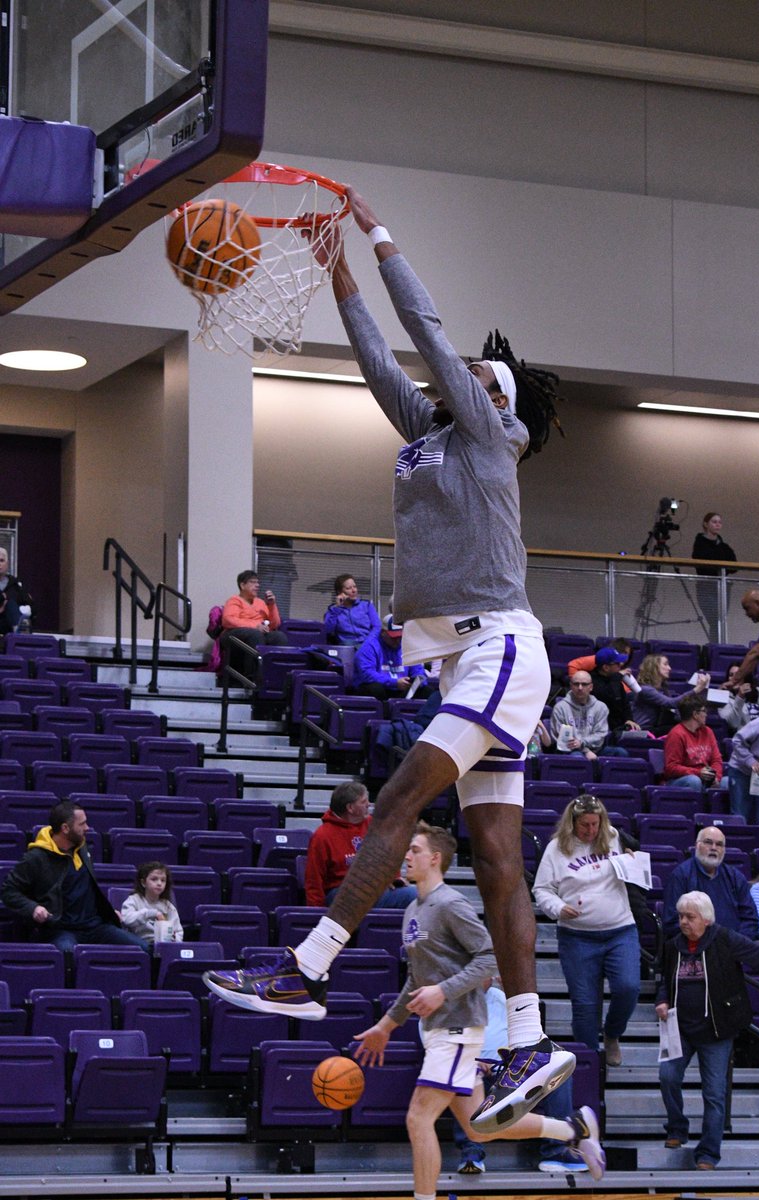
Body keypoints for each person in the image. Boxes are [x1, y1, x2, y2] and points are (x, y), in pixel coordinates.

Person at [205, 184, 574, 1136]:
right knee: (494, 859)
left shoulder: (493, 435)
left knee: (398, 798)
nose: (462, 378)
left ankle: (307, 967)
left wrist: (377, 236)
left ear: (498, 402)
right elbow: (381, 362)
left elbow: (428, 331)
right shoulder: (435, 438)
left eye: (477, 374)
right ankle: (530, 1038)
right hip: (465, 662)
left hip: (499, 646)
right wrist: (337, 278)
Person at [352, 824, 605, 1190]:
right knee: (480, 1128)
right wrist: (386, 1026)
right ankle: (573, 1129)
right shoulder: (412, 911)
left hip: (458, 1029)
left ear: (435, 859)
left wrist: (443, 991)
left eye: (415, 850)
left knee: (418, 1119)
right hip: (439, 1031)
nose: (406, 856)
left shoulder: (451, 905)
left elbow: (489, 957)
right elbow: (417, 979)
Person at [656, 891, 759, 1170]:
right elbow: (663, 977)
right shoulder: (672, 945)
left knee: (714, 1094)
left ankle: (708, 1153)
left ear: (706, 919)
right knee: (667, 1076)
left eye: (690, 917)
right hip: (680, 1027)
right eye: (681, 916)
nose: (683, 922)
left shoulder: (726, 939)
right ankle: (677, 1128)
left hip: (717, 1030)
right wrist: (662, 999)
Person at [533, 795, 640, 1065]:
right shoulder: (556, 849)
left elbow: (636, 870)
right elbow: (541, 889)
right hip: (577, 937)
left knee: (628, 988)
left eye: (595, 824)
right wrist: (558, 908)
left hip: (620, 929)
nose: (591, 831)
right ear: (572, 824)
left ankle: (613, 1033)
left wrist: (632, 862)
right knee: (584, 1007)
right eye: (585, 825)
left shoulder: (614, 837)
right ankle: (589, 1065)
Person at [452, 980, 587, 1175]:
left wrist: (506, 1059)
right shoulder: (446, 1002)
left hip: (508, 1069)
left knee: (558, 1076)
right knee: (464, 1075)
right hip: (468, 1067)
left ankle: (557, 1151)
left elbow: (525, 1041)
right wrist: (472, 1061)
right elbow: (437, 1045)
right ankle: (472, 1152)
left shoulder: (504, 999)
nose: (484, 978)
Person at [0, 800, 149, 951]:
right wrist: (33, 907)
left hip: (95, 926)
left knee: (144, 949)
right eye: (82, 824)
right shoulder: (35, 858)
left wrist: (108, 911)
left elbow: (87, 890)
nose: (87, 828)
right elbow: (9, 891)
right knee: (67, 955)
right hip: (60, 929)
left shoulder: (82, 848)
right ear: (65, 828)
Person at [304, 781, 416, 909]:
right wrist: (314, 915)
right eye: (363, 802)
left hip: (372, 888)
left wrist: (393, 877)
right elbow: (314, 881)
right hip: (341, 894)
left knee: (418, 894)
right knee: (412, 896)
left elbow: (388, 855)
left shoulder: (372, 824)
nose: (368, 804)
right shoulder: (322, 836)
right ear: (350, 808)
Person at [662, 827, 759, 941]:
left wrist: (738, 942)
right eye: (708, 842)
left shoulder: (735, 877)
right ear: (697, 845)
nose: (713, 848)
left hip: (734, 945)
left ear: (724, 850)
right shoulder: (681, 876)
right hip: (696, 944)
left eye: (719, 844)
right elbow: (672, 922)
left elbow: (750, 919)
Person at [219, 569, 288, 681]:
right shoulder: (234, 600)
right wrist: (255, 626)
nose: (257, 585)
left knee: (279, 636)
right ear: (242, 585)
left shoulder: (260, 602)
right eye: (252, 582)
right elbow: (228, 620)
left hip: (257, 634)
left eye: (257, 582)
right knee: (255, 635)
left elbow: (274, 624)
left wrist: (272, 605)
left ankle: (276, 678)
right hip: (233, 635)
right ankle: (251, 679)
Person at [352, 614, 430, 701]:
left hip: (400, 689)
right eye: (393, 637)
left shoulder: (407, 645)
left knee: (427, 691)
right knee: (375, 688)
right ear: (383, 633)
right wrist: (394, 683)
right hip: (381, 688)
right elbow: (367, 674)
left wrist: (417, 681)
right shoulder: (369, 647)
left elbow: (418, 669)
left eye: (400, 637)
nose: (397, 641)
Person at [631, 654, 709, 735]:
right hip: (644, 730)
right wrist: (697, 689)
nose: (669, 668)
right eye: (665, 664)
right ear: (653, 667)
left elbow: (676, 710)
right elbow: (671, 703)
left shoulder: (663, 689)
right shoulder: (646, 690)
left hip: (657, 728)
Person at [662, 696, 722, 791]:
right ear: (695, 714)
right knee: (694, 781)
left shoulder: (708, 731)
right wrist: (698, 773)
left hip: (706, 777)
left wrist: (716, 777)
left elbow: (716, 760)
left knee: (728, 782)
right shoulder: (676, 734)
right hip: (680, 779)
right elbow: (671, 768)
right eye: (704, 711)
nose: (706, 715)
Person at [549, 671, 611, 761]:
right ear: (571, 686)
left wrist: (582, 743)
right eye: (576, 684)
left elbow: (600, 734)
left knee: (620, 753)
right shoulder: (560, 708)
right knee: (577, 757)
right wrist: (585, 751)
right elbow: (562, 739)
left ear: (591, 687)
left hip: (595, 749)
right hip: (570, 750)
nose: (580, 688)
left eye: (584, 684)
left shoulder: (600, 707)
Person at [691, 512, 737, 635]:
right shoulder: (700, 543)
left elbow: (734, 565)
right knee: (714, 619)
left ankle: (717, 646)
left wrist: (718, 564)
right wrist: (719, 563)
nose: (717, 525)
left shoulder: (724, 546)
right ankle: (715, 647)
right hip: (706, 586)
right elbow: (701, 564)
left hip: (722, 588)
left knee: (720, 620)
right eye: (714, 522)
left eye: (719, 522)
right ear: (706, 524)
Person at [120, 861, 184, 943]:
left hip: (163, 945)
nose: (159, 883)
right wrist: (152, 913)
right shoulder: (133, 900)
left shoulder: (168, 906)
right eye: (154, 879)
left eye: (163, 880)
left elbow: (178, 932)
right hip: (140, 944)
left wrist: (174, 939)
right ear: (143, 883)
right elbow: (127, 919)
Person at [589, 646, 640, 736]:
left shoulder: (615, 680)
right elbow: (606, 699)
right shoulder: (590, 682)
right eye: (616, 663)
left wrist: (629, 719)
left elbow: (625, 704)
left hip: (620, 727)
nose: (620, 664)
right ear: (606, 667)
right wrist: (617, 677)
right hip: (601, 729)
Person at [719, 661, 759, 733]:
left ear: (745, 676)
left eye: (737, 674)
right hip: (745, 739)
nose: (734, 678)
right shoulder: (723, 698)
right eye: (731, 675)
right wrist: (740, 698)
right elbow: (733, 724)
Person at [323, 573, 381, 645]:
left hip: (367, 643)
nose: (354, 590)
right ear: (339, 592)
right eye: (348, 588)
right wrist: (338, 608)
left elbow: (377, 627)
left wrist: (369, 641)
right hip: (347, 646)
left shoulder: (366, 605)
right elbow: (327, 630)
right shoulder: (333, 610)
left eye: (355, 587)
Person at [0, 545, 33, 635]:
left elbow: (29, 604)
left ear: (7, 564)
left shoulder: (16, 585)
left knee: (11, 604)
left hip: (9, 628)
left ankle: (21, 634)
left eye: (1, 561)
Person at [566, 637, 633, 678]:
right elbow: (573, 664)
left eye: (628, 654)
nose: (626, 657)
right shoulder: (598, 659)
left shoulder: (624, 669)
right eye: (623, 653)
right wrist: (578, 683)